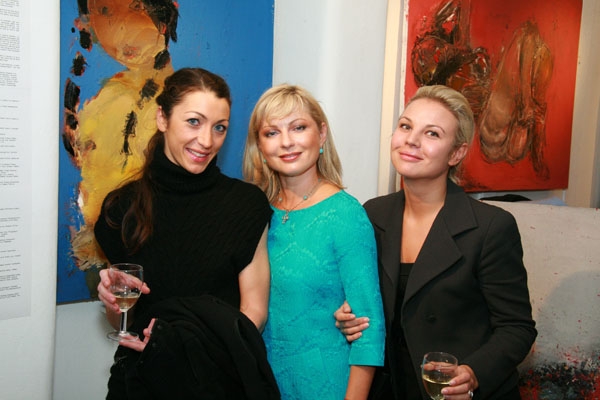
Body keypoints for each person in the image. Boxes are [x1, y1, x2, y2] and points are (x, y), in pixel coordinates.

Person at [335, 85, 537, 400]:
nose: (411, 140)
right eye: (406, 126)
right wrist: (350, 318)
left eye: (432, 133)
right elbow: (371, 302)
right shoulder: (373, 214)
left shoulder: (490, 227)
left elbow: (517, 328)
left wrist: (472, 373)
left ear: (456, 153)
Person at [94, 67, 278, 399]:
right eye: (194, 122)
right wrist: (112, 302)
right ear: (162, 118)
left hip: (217, 383)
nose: (207, 141)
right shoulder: (121, 208)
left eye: (219, 127)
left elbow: (254, 313)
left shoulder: (245, 204)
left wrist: (187, 354)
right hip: (141, 382)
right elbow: (124, 318)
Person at [242, 84, 386, 399]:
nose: (286, 142)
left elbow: (369, 327)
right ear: (260, 146)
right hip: (260, 381)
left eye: (298, 127)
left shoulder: (345, 214)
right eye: (272, 132)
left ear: (321, 135)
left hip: (324, 384)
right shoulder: (254, 212)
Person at [63, 0, 178, 271]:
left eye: (136, 7)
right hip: (102, 253)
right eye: (104, 13)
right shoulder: (109, 97)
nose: (120, 29)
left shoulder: (175, 108)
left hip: (147, 256)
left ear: (164, 17)